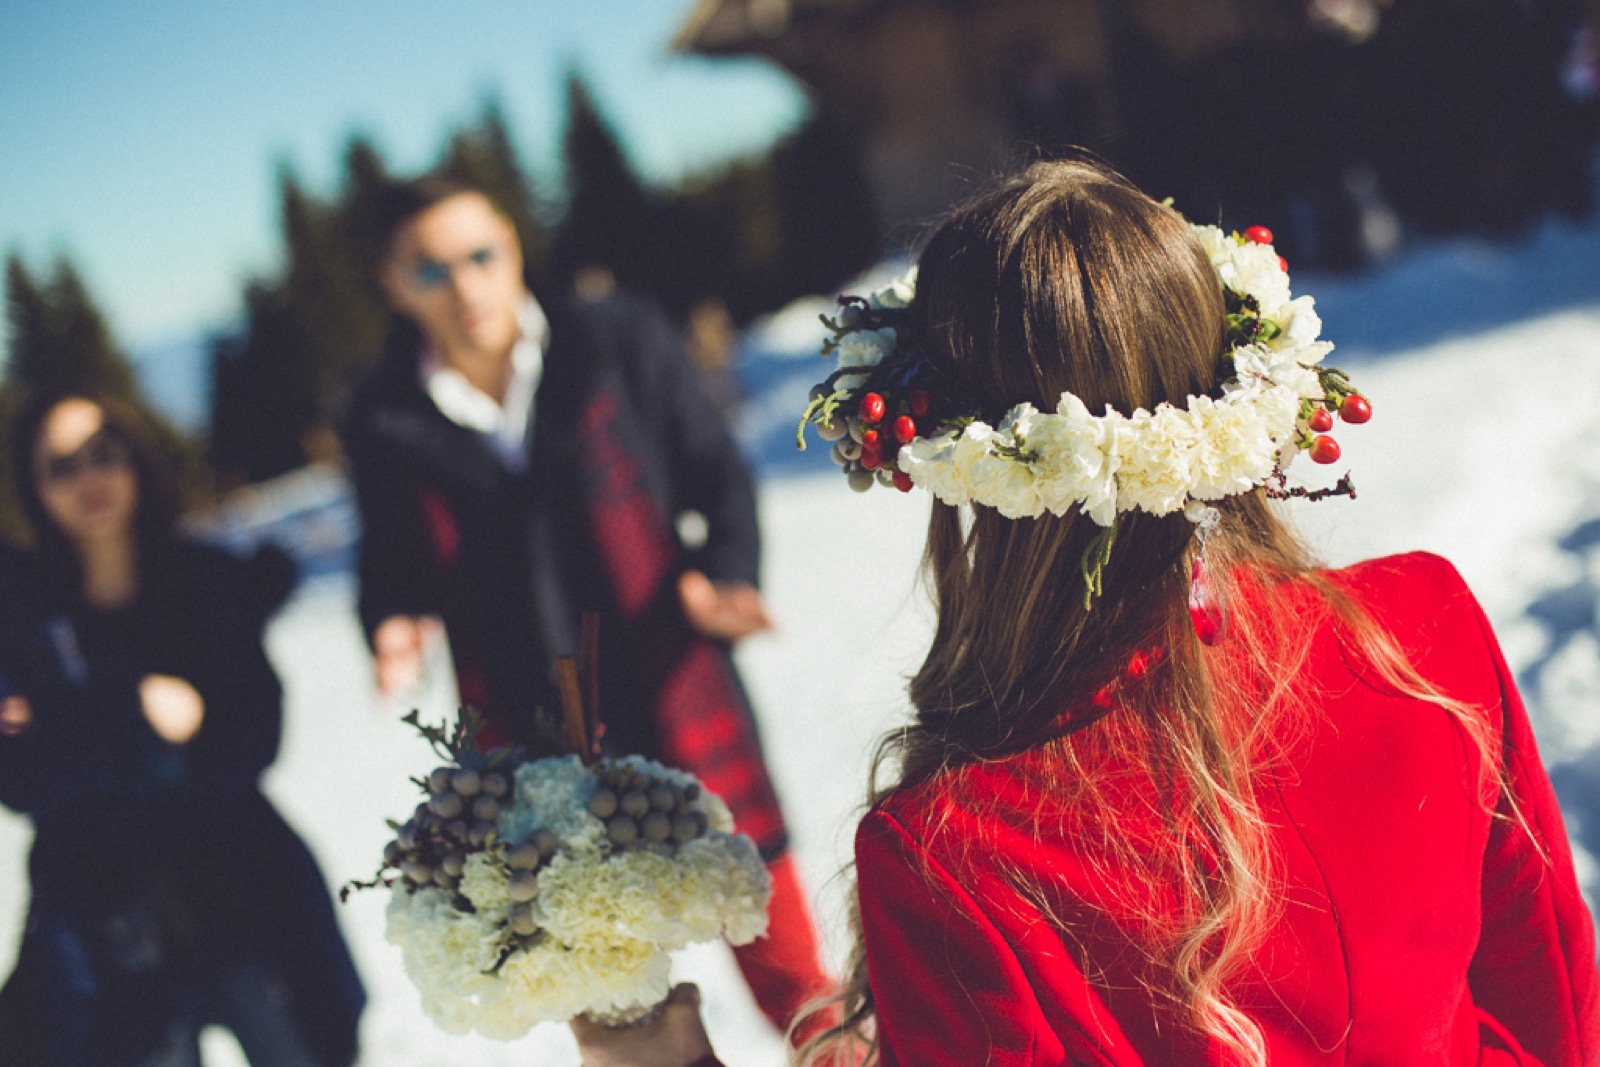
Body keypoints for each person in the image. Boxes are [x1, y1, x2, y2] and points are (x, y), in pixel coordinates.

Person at [572, 159, 1600, 1065]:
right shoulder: (1423, 624)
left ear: (959, 469)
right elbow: (1557, 1004)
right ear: (1230, 371)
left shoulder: (953, 848)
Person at [336, 172, 830, 1038]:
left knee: (793, 976)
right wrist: (392, 620)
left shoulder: (613, 339)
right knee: (620, 1017)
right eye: (430, 271)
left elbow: (717, 470)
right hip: (529, 739)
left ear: (511, 246)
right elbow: (389, 562)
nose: (465, 287)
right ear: (391, 283)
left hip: (674, 680)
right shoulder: (382, 418)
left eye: (480, 255)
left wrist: (726, 571)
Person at [0, 394, 365, 1067]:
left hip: (241, 890)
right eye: (60, 466)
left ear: (134, 458)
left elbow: (256, 736)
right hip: (105, 922)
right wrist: (122, 708)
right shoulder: (21, 617)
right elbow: (22, 780)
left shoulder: (205, 581)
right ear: (33, 485)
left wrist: (185, 725)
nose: (89, 478)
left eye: (102, 453)